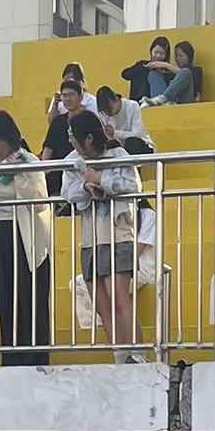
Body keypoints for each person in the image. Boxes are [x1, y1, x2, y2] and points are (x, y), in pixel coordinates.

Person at [62, 109, 143, 362]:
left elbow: (133, 185)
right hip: (91, 238)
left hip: (118, 234)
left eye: (74, 137)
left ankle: (138, 355)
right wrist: (86, 186)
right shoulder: (72, 161)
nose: (72, 143)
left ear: (88, 138)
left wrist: (101, 179)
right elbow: (68, 193)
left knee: (120, 297)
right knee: (102, 304)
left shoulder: (117, 155)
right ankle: (120, 356)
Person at [0, 109, 52, 367]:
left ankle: (35, 357)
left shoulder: (27, 161)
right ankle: (11, 356)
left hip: (24, 235)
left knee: (29, 296)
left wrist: (14, 176)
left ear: (2, 137)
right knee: (5, 296)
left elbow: (39, 199)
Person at [40, 76, 88, 197]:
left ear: (80, 97)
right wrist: (45, 170)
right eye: (64, 95)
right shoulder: (58, 122)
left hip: (82, 169)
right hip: (59, 172)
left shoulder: (89, 119)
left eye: (71, 94)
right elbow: (48, 150)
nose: (67, 99)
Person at [143, 40, 200, 108]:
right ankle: (160, 102)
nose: (177, 59)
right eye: (176, 55)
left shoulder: (196, 70)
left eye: (181, 56)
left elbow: (197, 94)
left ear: (189, 57)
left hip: (184, 102)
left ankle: (162, 99)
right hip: (169, 102)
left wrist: (166, 65)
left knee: (186, 72)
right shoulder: (171, 72)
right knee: (154, 74)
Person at [96, 85, 153, 151]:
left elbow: (137, 135)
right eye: (105, 111)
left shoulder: (132, 106)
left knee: (132, 143)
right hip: (119, 149)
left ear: (116, 99)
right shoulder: (103, 113)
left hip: (141, 146)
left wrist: (115, 133)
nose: (108, 114)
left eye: (109, 110)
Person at [122, 37, 172, 104]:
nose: (158, 56)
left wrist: (165, 66)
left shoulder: (168, 70)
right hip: (140, 101)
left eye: (162, 54)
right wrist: (144, 67)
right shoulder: (142, 65)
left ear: (166, 55)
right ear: (151, 51)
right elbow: (125, 74)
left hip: (159, 102)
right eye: (156, 52)